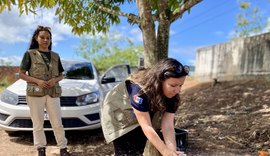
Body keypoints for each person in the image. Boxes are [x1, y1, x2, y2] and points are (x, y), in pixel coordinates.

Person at [101, 58, 189, 156]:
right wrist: (164, 151)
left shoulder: (173, 95)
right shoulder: (139, 91)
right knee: (128, 150)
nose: (177, 90)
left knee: (138, 147)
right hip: (119, 112)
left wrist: (172, 151)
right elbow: (146, 126)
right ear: (160, 81)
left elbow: (168, 125)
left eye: (180, 85)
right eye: (173, 85)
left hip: (141, 110)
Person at [19, 26, 70, 156]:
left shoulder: (55, 56)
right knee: (38, 123)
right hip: (36, 93)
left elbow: (61, 75)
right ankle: (41, 149)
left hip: (53, 92)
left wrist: (55, 80)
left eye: (48, 38)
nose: (45, 40)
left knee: (57, 123)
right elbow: (22, 74)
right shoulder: (29, 54)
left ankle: (63, 148)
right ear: (36, 38)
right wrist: (38, 81)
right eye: (42, 37)